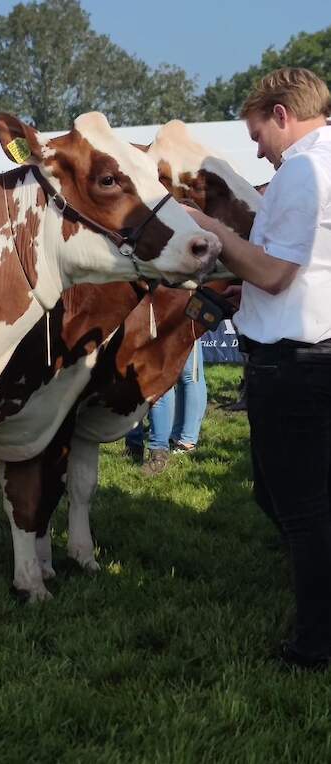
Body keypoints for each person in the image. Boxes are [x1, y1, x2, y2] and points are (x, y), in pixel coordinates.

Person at [186, 68, 331, 670]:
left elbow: (273, 273)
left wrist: (213, 231)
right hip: (314, 352)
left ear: (280, 114)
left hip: (294, 364)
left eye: (257, 133)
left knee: (295, 508)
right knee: (299, 501)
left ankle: (314, 647)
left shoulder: (303, 168)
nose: (255, 148)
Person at [125, 340, 208, 474]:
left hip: (185, 321)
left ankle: (185, 441)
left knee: (187, 374)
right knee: (173, 374)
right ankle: (173, 439)